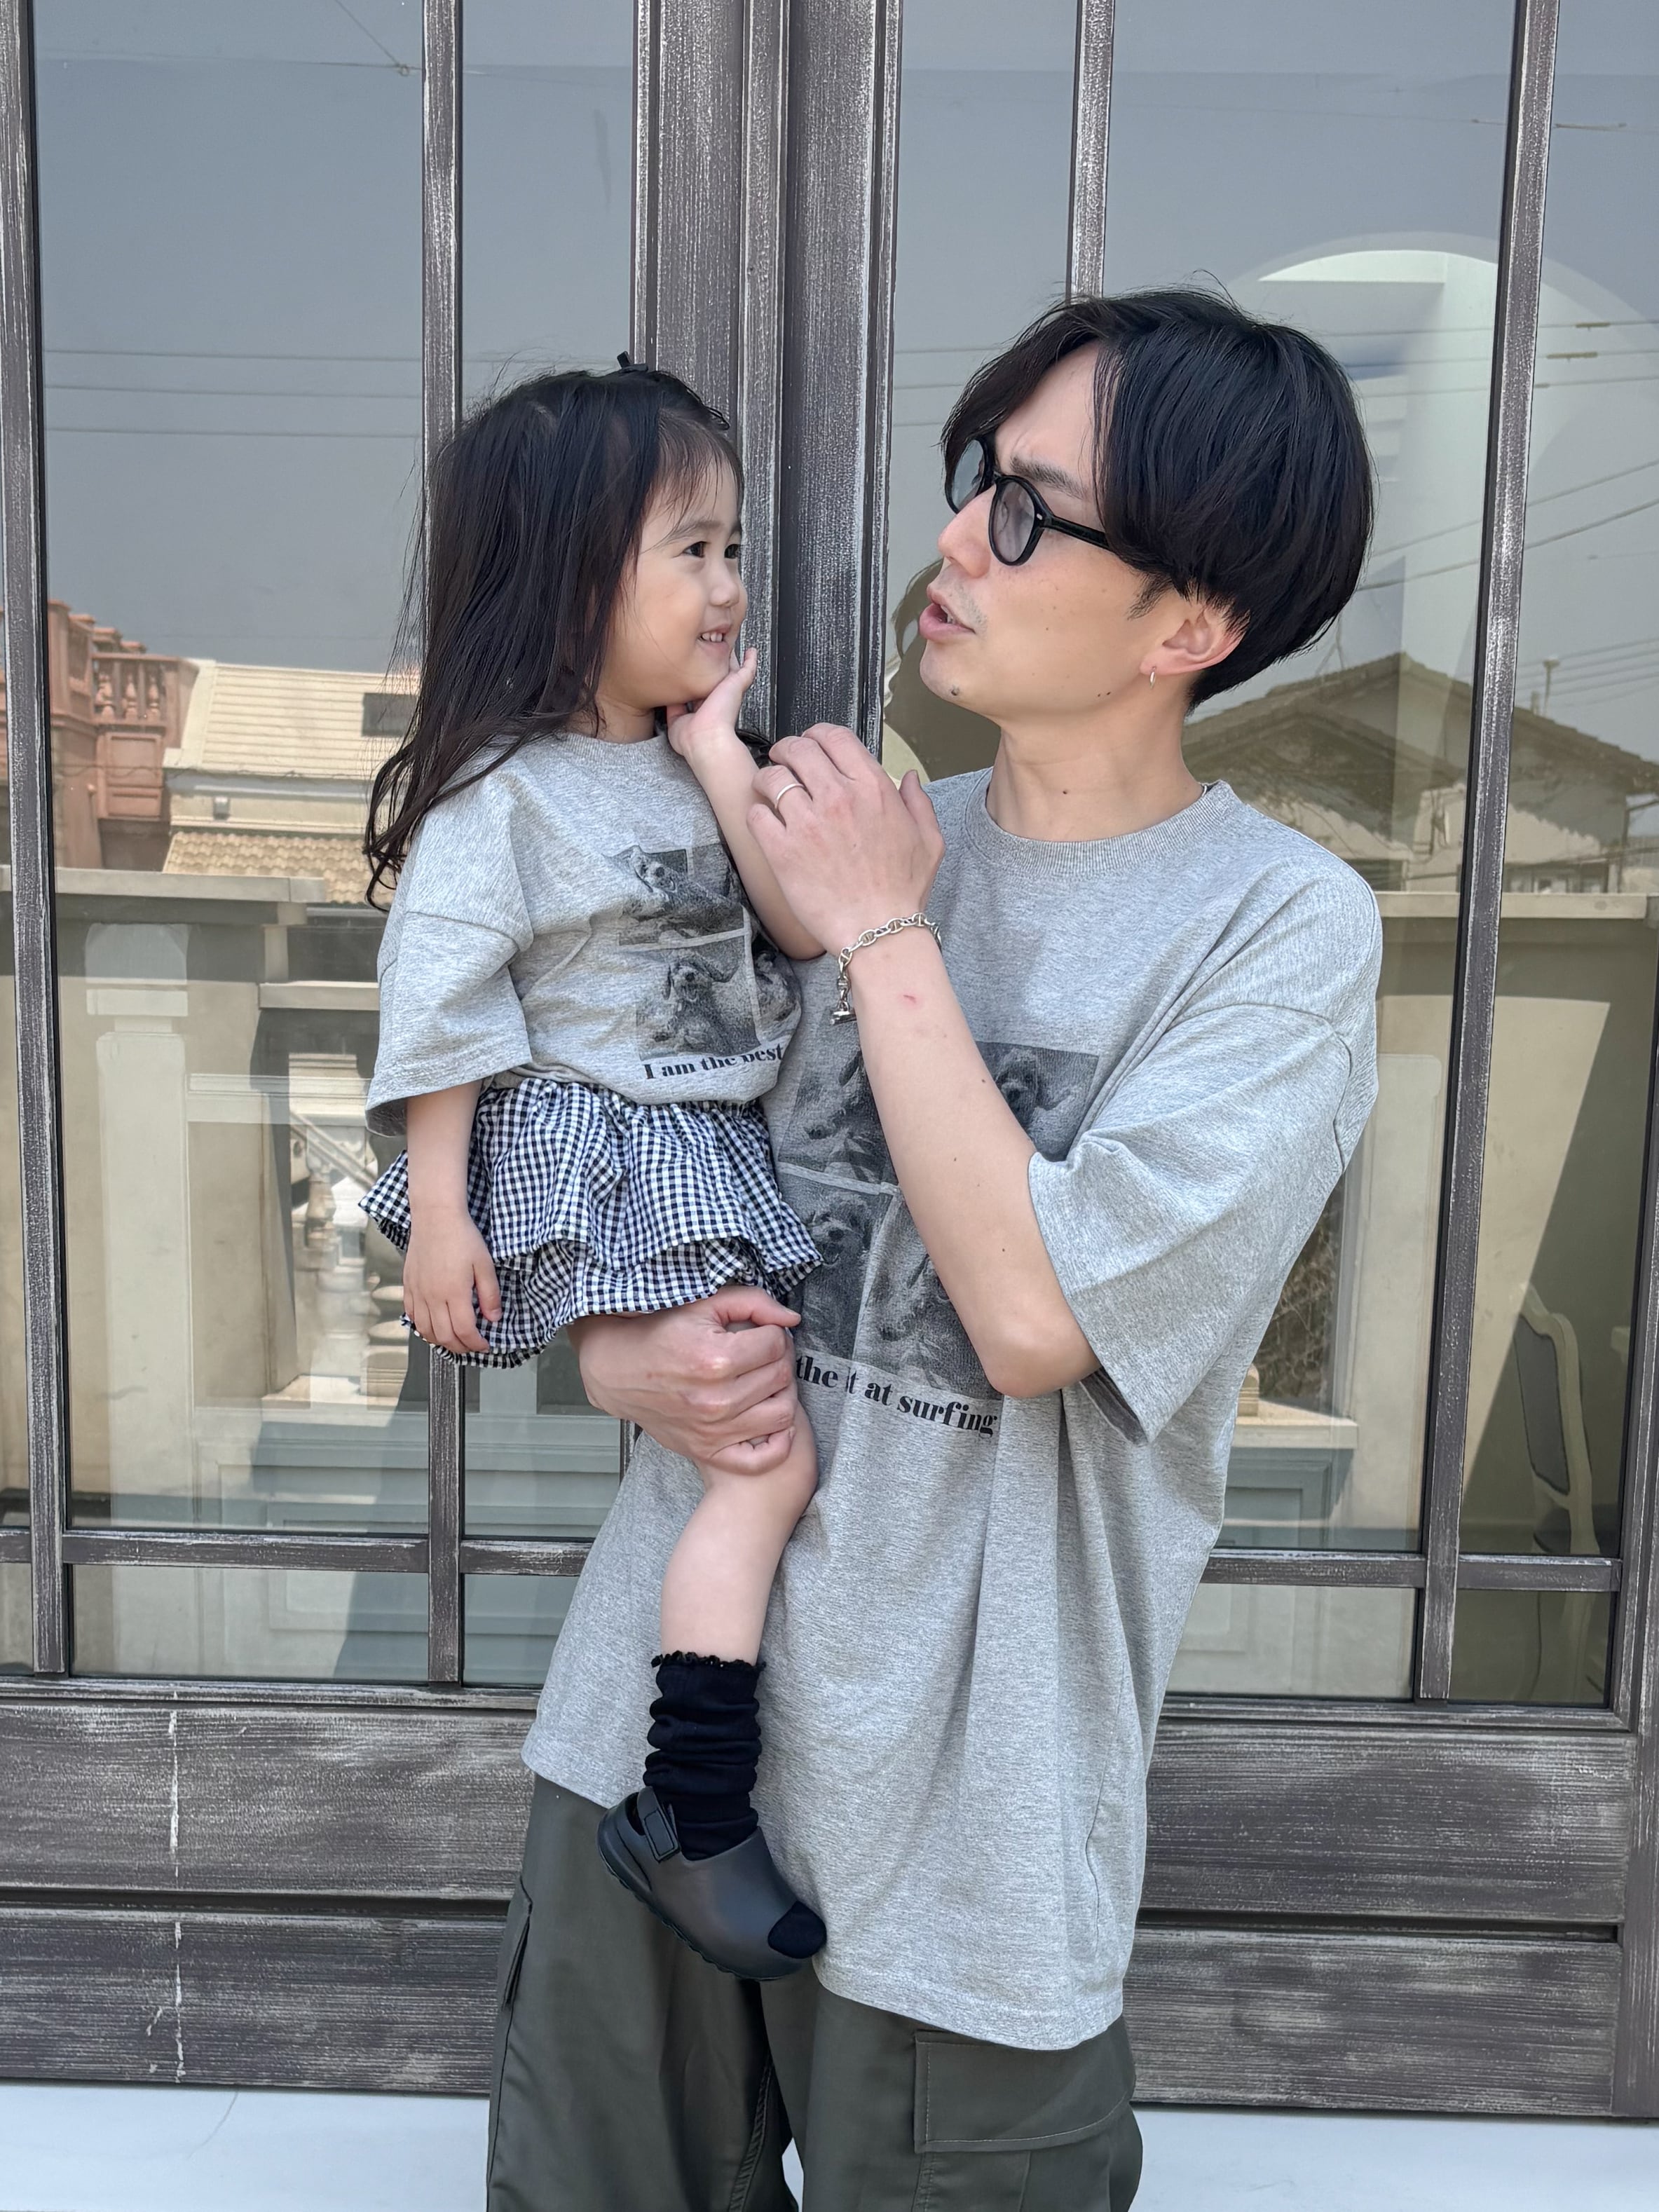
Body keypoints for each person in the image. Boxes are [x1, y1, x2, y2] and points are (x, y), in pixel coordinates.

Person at [486, 289, 1381, 2212]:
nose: (958, 537)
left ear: (1190, 622)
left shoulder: (1274, 928)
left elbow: (1039, 1315)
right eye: (977, 480)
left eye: (1030, 511)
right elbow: (638, 1148)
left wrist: (886, 934)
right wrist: (610, 1355)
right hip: (658, 1726)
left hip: (969, 1837)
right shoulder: (859, 828)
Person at [358, 361, 833, 1979]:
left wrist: (717, 757)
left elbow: (798, 923)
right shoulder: (501, 795)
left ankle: (692, 1804)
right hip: (602, 1155)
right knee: (762, 1467)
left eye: (731, 547)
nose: (728, 585)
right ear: (571, 581)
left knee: (750, 1462)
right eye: (689, 551)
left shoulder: (690, 760)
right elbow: (443, 1008)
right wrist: (440, 1216)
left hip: (704, 1148)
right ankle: (692, 1810)